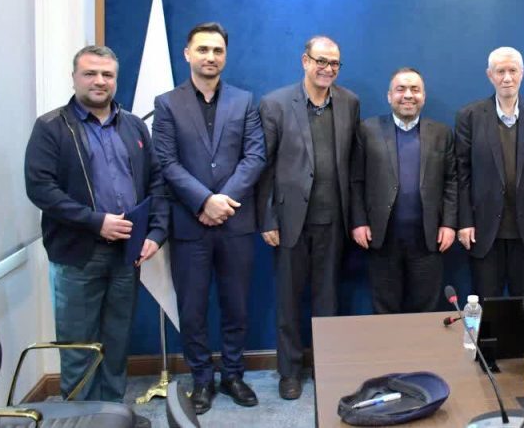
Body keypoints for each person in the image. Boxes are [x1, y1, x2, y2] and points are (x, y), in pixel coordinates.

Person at [24, 45, 167, 425]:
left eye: (107, 74)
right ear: (74, 78)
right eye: (90, 73)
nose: (99, 81)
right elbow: (41, 189)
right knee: (79, 348)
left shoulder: (134, 126)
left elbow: (155, 182)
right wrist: (95, 221)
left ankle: (111, 414)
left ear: (115, 80)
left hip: (126, 255)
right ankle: (79, 419)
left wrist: (155, 232)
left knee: (116, 343)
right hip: (77, 255)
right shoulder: (51, 127)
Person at [152, 22, 266, 413]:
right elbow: (165, 161)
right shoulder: (167, 103)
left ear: (225, 56)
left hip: (235, 223)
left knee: (237, 306)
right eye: (203, 49)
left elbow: (255, 156)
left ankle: (233, 374)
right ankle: (201, 378)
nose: (210, 57)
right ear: (188, 54)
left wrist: (223, 201)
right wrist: (204, 202)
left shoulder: (244, 101)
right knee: (193, 310)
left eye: (217, 50)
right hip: (189, 224)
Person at [256, 35, 359, 400]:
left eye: (334, 63)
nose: (327, 69)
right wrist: (267, 218)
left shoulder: (349, 103)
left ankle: (326, 366)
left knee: (328, 300)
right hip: (289, 221)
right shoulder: (275, 104)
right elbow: (264, 167)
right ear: (305, 61)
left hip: (334, 221)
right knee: (288, 301)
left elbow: (353, 164)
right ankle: (289, 371)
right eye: (321, 61)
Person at [455, 47, 524, 298]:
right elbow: (462, 174)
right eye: (500, 71)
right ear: (489, 75)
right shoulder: (469, 116)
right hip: (483, 231)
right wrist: (465, 221)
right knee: (485, 304)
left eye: (512, 71)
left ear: (522, 73)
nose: (507, 78)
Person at [350, 67, 457, 314]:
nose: (408, 95)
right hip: (381, 238)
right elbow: (355, 180)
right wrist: (359, 222)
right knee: (385, 310)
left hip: (428, 239)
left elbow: (452, 181)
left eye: (415, 89)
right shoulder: (368, 130)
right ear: (389, 96)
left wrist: (449, 224)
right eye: (401, 89)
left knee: (426, 309)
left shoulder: (442, 133)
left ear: (423, 96)